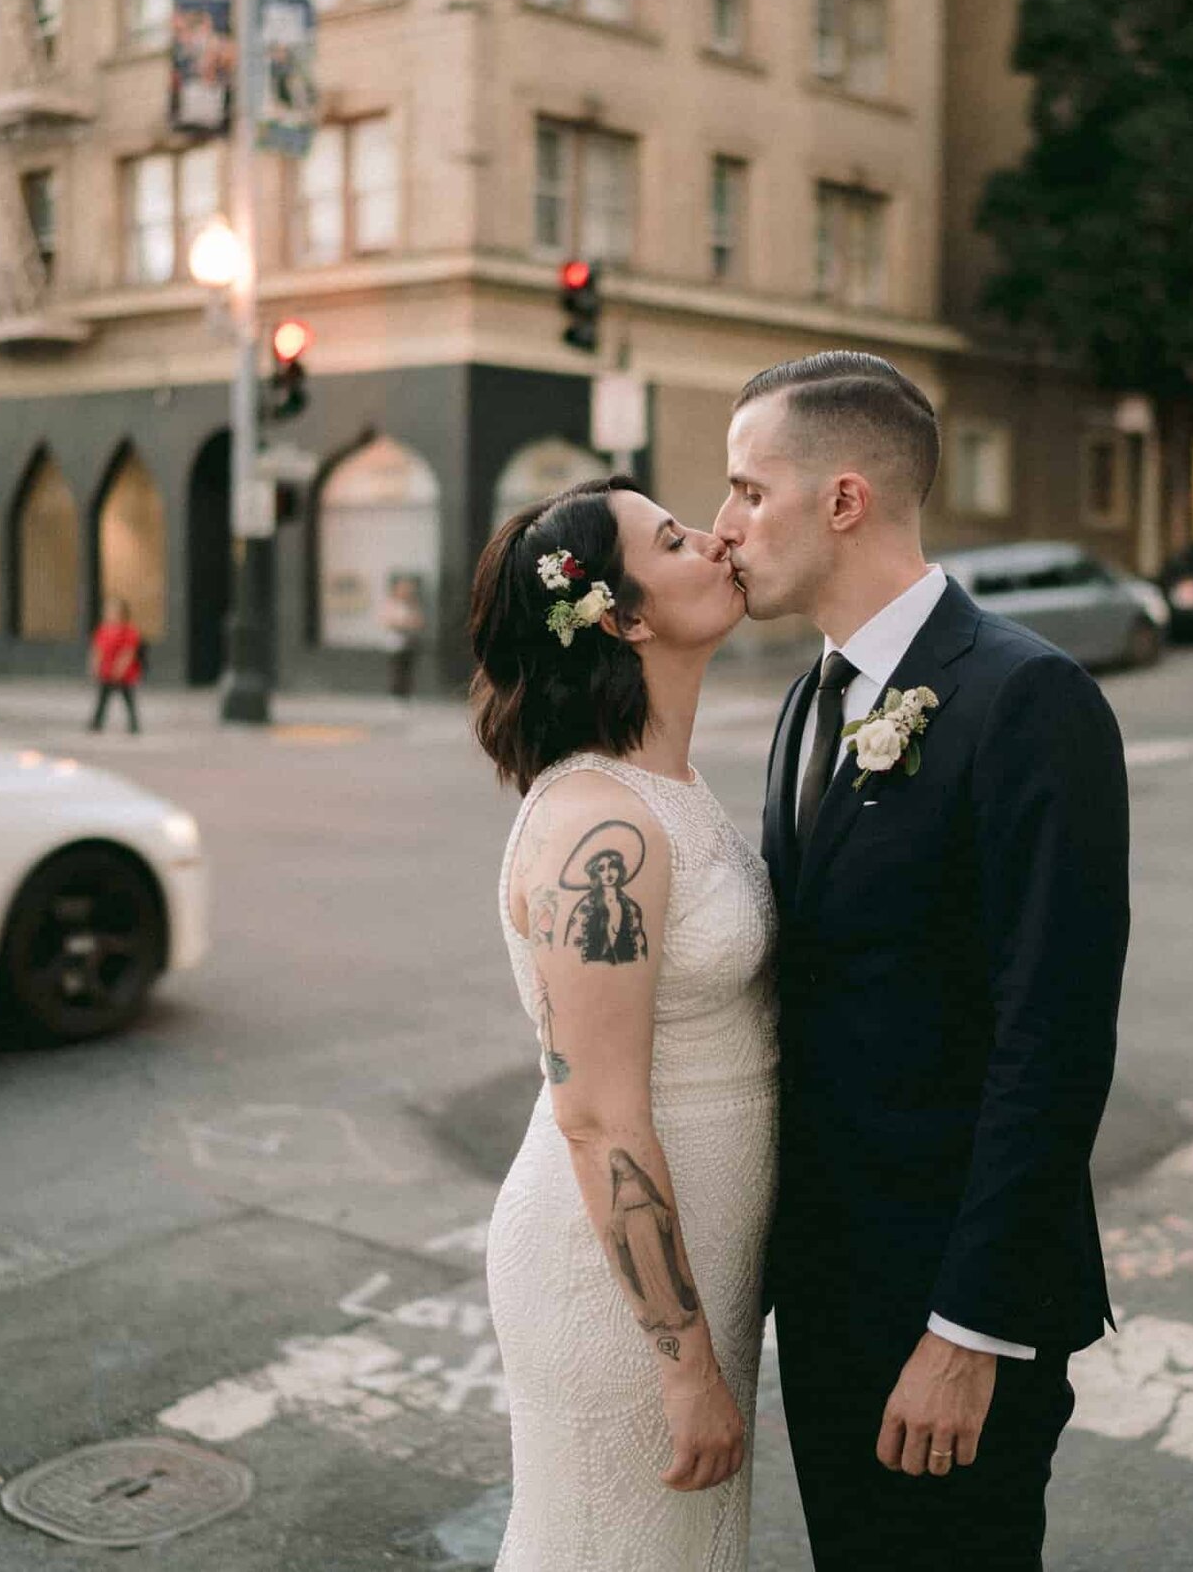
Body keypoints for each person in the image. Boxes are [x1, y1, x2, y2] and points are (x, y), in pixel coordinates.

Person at [710, 352, 1130, 1571]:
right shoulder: (810, 698)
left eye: (748, 489)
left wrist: (970, 1330)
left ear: (843, 500)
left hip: (954, 1305)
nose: (726, 525)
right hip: (831, 1291)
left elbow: (1051, 1038)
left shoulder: (1027, 697)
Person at [466, 474, 767, 1569]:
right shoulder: (600, 828)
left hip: (702, 1265)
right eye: (678, 537)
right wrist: (683, 1362)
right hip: (618, 1298)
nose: (718, 539)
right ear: (626, 617)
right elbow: (594, 1113)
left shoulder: (672, 788)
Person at [88, 597, 144, 735]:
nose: (109, 614)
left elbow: (128, 652)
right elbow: (97, 650)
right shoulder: (103, 630)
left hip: (124, 674)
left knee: (128, 698)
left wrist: (120, 668)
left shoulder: (129, 631)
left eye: (113, 612)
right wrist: (95, 665)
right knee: (103, 698)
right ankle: (97, 722)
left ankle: (133, 723)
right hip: (106, 671)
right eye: (107, 611)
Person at [382, 574, 425, 700]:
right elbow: (388, 621)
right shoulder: (391, 604)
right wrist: (404, 624)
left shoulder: (413, 605)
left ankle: (407, 695)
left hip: (410, 643)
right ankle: (395, 695)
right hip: (396, 644)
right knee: (397, 671)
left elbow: (419, 622)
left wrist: (409, 624)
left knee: (408, 670)